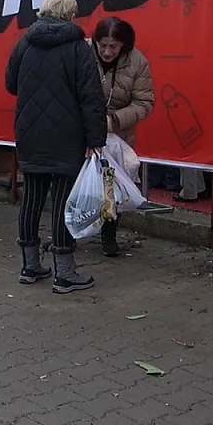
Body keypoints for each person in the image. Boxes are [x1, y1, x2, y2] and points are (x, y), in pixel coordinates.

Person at [5, 0, 107, 294]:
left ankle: (29, 265)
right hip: (67, 136)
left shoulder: (24, 43)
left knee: (32, 197)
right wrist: (95, 139)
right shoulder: (78, 48)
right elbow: (91, 98)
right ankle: (64, 273)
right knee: (64, 201)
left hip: (30, 132)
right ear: (71, 15)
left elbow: (11, 84)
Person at [91, 16, 155, 255]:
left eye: (113, 47)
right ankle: (68, 233)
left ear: (123, 45)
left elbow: (144, 102)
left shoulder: (137, 62)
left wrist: (115, 119)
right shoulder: (83, 53)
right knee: (77, 185)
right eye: (103, 45)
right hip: (83, 133)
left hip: (117, 135)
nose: (107, 52)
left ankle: (109, 235)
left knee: (111, 186)